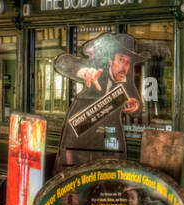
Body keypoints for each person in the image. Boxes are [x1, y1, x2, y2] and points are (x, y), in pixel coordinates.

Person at [54, 32, 150, 169]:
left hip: (109, 141)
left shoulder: (126, 78)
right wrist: (85, 71)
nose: (124, 66)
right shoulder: (97, 67)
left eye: (128, 62)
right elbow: (62, 62)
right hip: (80, 137)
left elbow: (137, 108)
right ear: (111, 60)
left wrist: (135, 106)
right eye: (121, 60)